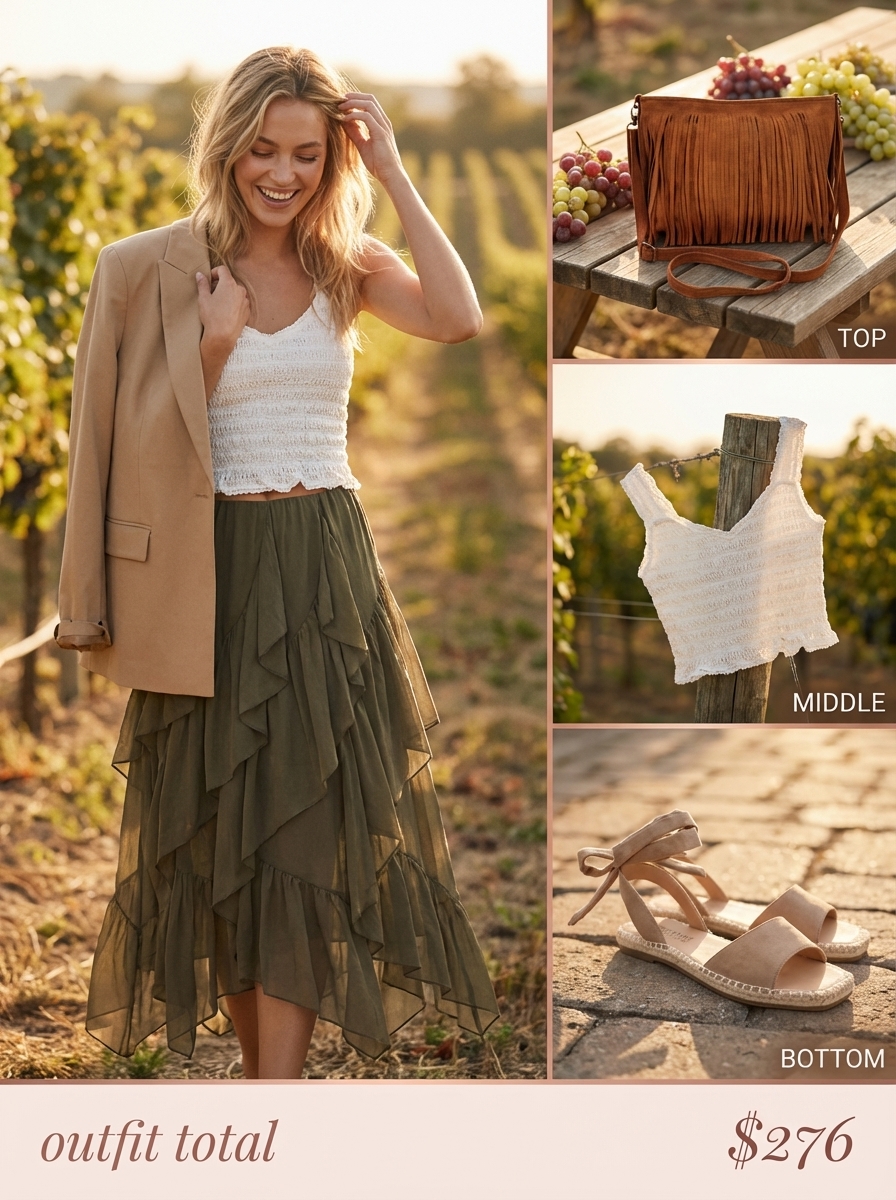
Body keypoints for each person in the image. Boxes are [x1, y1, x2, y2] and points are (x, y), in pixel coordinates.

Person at [56, 46, 499, 1079]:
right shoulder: (142, 267)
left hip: (323, 570)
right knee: (226, 846)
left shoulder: (346, 264)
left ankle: (276, 1096)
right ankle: (267, 1089)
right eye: (263, 149)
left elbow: (457, 318)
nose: (283, 173)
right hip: (203, 576)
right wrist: (210, 349)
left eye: (307, 154)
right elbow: (105, 446)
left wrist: (392, 172)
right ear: (227, 147)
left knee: (303, 836)